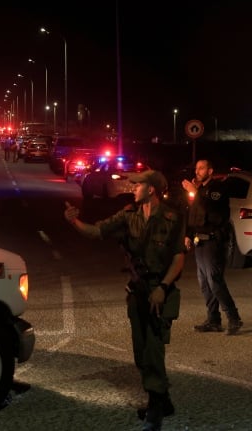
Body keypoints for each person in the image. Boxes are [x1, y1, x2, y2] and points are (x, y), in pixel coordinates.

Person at [64, 170, 186, 431]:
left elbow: (178, 257)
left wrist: (163, 287)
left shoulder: (172, 218)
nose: (133, 187)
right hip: (137, 291)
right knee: (141, 352)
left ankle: (155, 409)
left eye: (138, 184)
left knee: (154, 350)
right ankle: (164, 401)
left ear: (151, 189)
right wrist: (75, 222)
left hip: (160, 291)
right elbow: (97, 231)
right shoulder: (128, 215)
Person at [181, 159, 243, 335]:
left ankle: (234, 318)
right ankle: (213, 320)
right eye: (196, 168)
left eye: (201, 168)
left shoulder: (218, 189)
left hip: (213, 241)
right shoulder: (200, 190)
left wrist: (196, 193)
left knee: (215, 281)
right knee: (204, 284)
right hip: (199, 240)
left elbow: (213, 213)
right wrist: (187, 234)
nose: (197, 171)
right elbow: (192, 214)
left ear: (210, 171)